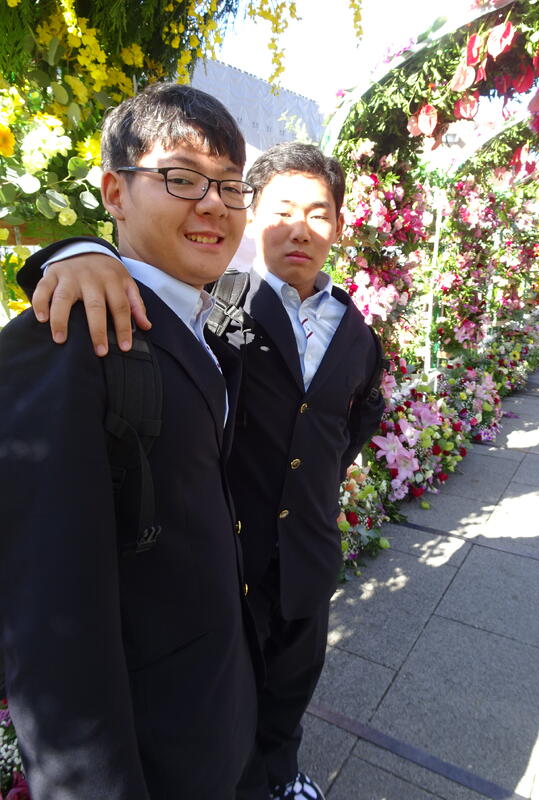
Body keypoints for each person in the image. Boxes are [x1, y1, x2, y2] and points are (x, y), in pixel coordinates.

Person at [19, 142, 385, 800]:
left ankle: (281, 773)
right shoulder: (225, 305)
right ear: (254, 217)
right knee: (236, 690)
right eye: (282, 211)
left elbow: (357, 416)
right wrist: (79, 250)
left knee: (293, 679)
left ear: (338, 223)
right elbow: (145, 295)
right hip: (234, 555)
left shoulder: (357, 332)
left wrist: (319, 485)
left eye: (318, 213)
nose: (300, 229)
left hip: (308, 549)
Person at [0, 82, 259, 800]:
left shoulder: (205, 318)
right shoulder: (69, 339)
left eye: (230, 186)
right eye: (181, 178)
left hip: (215, 716)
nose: (213, 204)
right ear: (114, 192)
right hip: (151, 751)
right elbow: (51, 627)